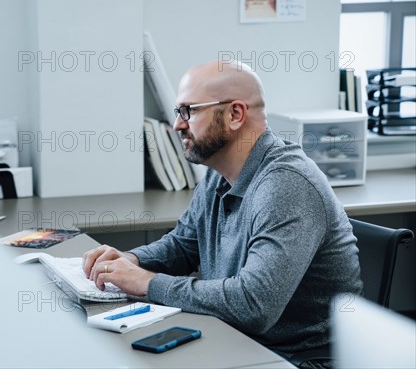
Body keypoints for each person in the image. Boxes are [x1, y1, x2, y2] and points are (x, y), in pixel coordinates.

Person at [82, 60, 363, 354]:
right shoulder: (220, 170)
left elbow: (253, 304)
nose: (178, 124)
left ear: (235, 114)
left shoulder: (287, 185)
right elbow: (183, 246)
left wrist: (147, 283)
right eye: (180, 112)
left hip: (292, 358)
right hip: (236, 340)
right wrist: (130, 260)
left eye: (189, 111)